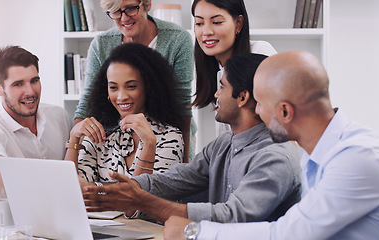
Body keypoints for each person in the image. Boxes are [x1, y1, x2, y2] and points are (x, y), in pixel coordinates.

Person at [163, 50, 379, 240]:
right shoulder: (315, 153)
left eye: (261, 103)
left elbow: (286, 234)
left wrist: (193, 231)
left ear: (285, 111)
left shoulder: (356, 159)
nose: (256, 111)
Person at [83, 53, 302, 224]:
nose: (215, 95)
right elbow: (176, 179)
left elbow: (232, 216)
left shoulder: (274, 157)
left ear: (243, 97)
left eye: (222, 87)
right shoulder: (224, 143)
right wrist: (125, 187)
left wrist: (140, 199)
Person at [74, 0, 194, 162]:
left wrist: (185, 163)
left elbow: (182, 106)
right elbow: (86, 103)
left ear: (147, 4)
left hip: (167, 138)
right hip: (115, 141)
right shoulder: (101, 44)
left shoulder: (177, 39)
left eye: (131, 8)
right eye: (116, 11)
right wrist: (75, 145)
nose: (124, 18)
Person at [0, 46, 72, 204]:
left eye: (34, 81)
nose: (29, 91)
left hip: (55, 223)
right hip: (0, 225)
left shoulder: (59, 116)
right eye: (18, 84)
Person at [65, 43, 184, 183]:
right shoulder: (98, 135)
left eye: (131, 86)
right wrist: (74, 139)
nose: (121, 97)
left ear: (149, 87)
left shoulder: (170, 137)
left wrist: (149, 143)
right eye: (113, 87)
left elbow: (144, 198)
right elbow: (71, 189)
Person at [191, 0, 277, 136]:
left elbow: (281, 123)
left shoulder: (260, 54)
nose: (206, 32)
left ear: (238, 24)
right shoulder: (211, 66)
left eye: (217, 22)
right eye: (199, 23)